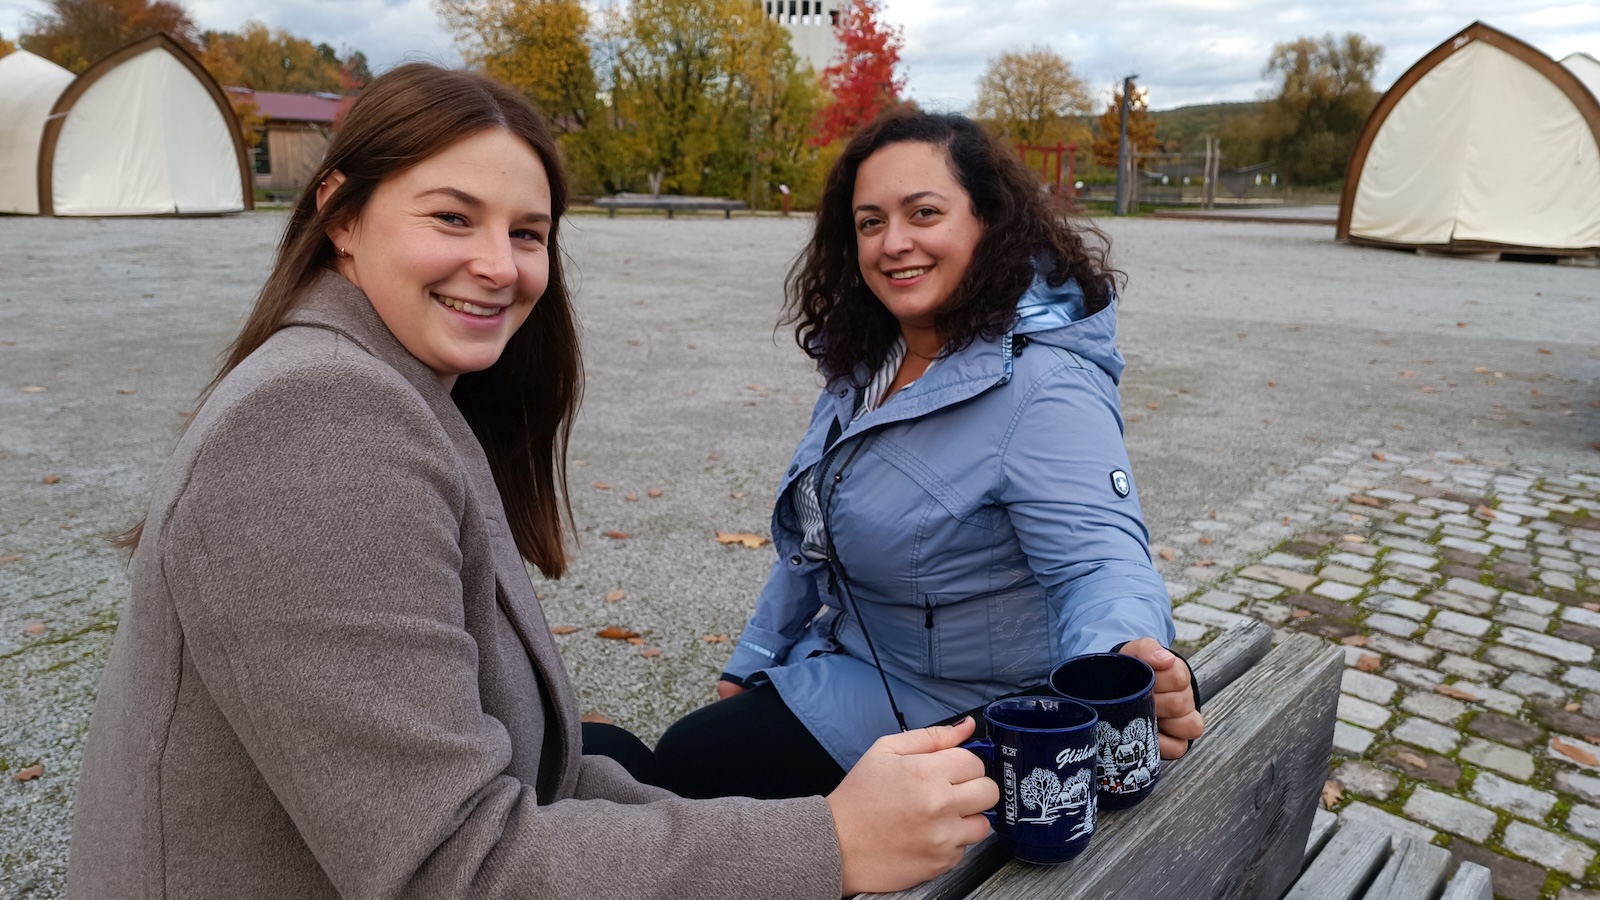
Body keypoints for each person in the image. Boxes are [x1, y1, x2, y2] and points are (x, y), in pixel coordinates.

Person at [65, 65, 996, 900]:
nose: (499, 267)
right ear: (340, 214)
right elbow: (453, 867)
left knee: (635, 760)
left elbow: (531, 785)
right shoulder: (318, 424)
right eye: (452, 217)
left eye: (528, 233)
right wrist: (827, 843)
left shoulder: (391, 384)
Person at [652, 110, 1204, 800]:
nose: (894, 243)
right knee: (674, 771)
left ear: (988, 221)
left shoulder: (1045, 385)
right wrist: (757, 654)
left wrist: (1116, 661)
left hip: (964, 708)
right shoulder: (869, 360)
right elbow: (817, 534)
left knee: (682, 770)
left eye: (924, 212)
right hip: (858, 662)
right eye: (871, 222)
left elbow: (1100, 561)